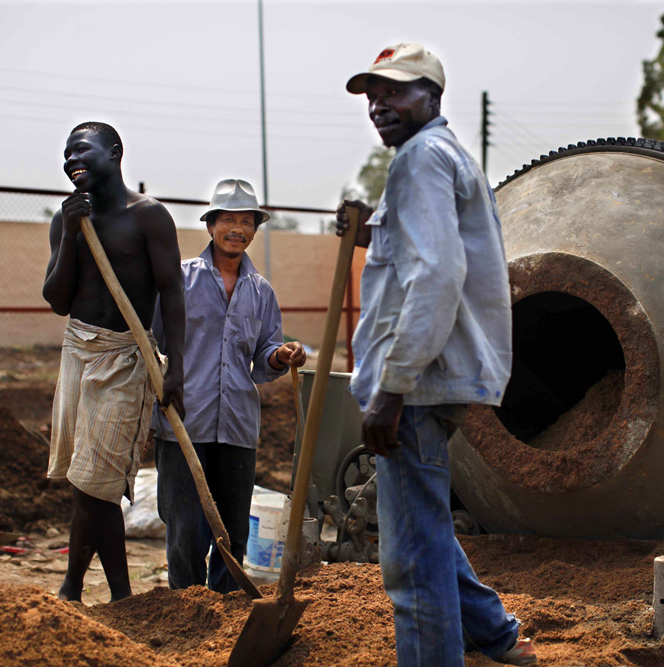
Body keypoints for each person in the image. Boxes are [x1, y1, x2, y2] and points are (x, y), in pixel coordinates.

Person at [336, 44, 538, 666]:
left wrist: (391, 390)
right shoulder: (443, 155)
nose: (380, 106)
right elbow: (429, 249)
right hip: (437, 376)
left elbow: (436, 276)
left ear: (432, 95)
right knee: (423, 523)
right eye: (373, 96)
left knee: (410, 557)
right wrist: (371, 229)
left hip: (418, 385)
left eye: (395, 92)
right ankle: (496, 636)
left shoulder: (420, 160)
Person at [42, 121, 185, 603]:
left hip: (126, 355)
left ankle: (72, 587)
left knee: (95, 481)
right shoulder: (66, 219)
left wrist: (177, 366)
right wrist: (71, 234)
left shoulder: (148, 216)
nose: (70, 160)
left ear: (115, 153)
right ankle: (119, 595)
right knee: (87, 481)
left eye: (80, 150)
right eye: (66, 154)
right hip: (77, 350)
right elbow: (58, 300)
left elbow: (172, 293)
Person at [150, 178, 306, 593]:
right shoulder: (179, 281)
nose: (237, 228)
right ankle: (186, 606)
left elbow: (264, 354)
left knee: (234, 530)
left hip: (236, 423)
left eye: (246, 221)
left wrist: (281, 355)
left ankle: (227, 610)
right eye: (228, 219)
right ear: (210, 225)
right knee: (186, 530)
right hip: (184, 421)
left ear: (255, 229)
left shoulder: (261, 292)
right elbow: (152, 345)